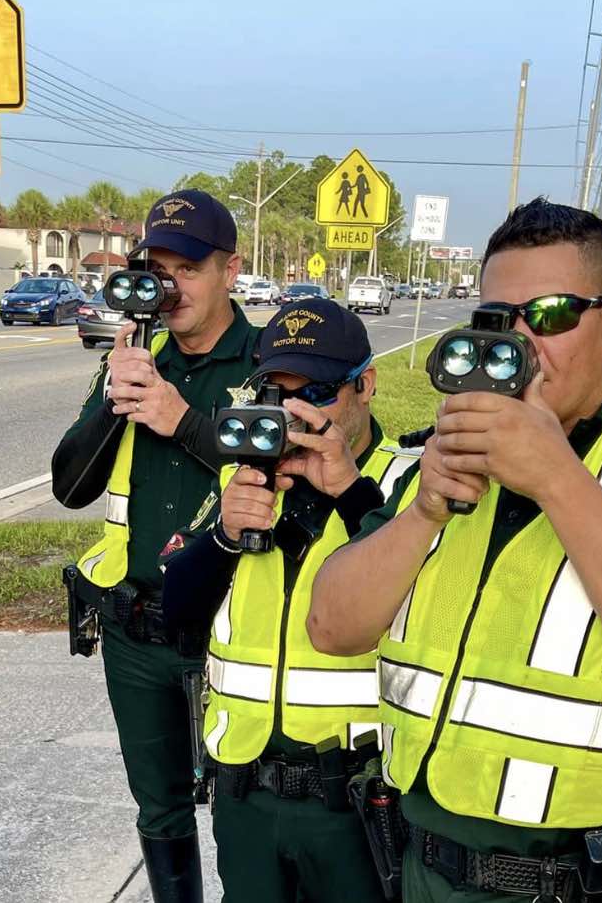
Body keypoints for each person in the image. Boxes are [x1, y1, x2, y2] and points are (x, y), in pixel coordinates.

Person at [309, 198, 602, 903]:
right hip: (424, 868)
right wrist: (424, 511)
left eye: (553, 315)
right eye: (497, 321)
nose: (520, 345)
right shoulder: (438, 461)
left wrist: (556, 476)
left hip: (599, 880)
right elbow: (333, 626)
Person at [161, 298, 417, 903]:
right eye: (275, 393)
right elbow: (178, 613)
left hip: (357, 799)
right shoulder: (245, 477)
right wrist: (224, 536)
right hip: (247, 794)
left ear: (366, 386)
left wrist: (353, 493)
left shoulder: (407, 483)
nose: (295, 415)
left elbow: (422, 602)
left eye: (317, 394)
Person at [51, 189, 260, 902]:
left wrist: (183, 419)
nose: (170, 288)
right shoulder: (137, 363)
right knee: (161, 811)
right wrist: (117, 397)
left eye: (188, 269)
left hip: (237, 636)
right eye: (157, 269)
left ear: (230, 271)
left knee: (242, 813)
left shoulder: (268, 365)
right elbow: (70, 486)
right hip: (136, 629)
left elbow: (294, 493)